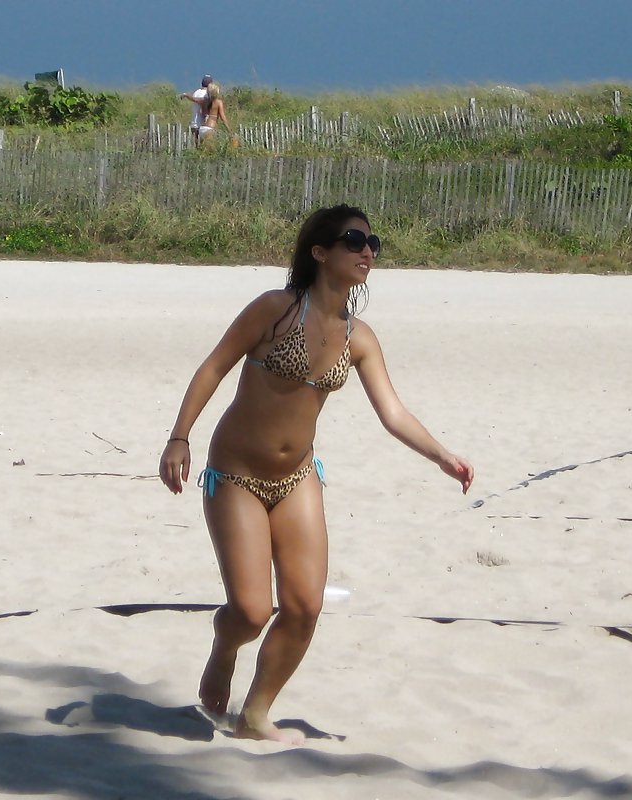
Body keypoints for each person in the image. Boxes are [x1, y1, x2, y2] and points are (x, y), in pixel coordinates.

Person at [158, 204, 474, 743]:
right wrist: (179, 436)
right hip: (235, 474)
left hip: (298, 476)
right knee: (253, 611)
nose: (367, 252)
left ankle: (256, 715)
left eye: (374, 243)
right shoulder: (274, 310)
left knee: (304, 607)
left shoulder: (360, 338)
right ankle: (225, 644)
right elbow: (213, 366)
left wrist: (442, 455)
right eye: (354, 241)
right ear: (320, 252)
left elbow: (392, 413)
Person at [180, 74, 213, 146]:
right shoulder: (206, 94)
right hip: (202, 125)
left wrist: (187, 95)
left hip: (194, 124)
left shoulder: (196, 92)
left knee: (197, 146)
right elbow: (201, 102)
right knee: (204, 147)